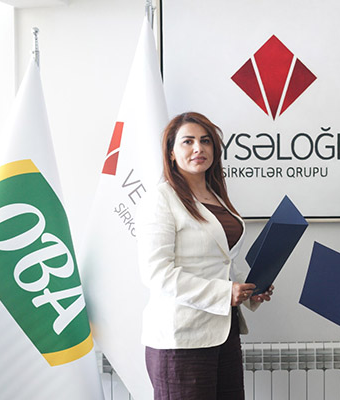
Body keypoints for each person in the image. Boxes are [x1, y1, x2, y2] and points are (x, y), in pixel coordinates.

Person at [138, 112, 273, 400]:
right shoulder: (161, 198)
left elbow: (221, 262)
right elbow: (156, 273)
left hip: (224, 333)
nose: (198, 148)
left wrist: (249, 290)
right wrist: (225, 293)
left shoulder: (217, 196)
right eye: (188, 141)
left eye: (205, 141)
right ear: (171, 153)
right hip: (181, 339)